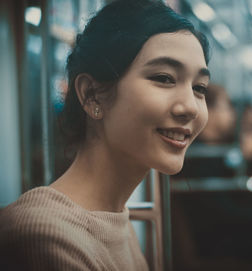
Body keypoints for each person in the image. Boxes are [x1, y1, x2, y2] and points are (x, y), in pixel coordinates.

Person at [0, 0, 210, 270]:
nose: (191, 107)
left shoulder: (115, 219)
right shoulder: (45, 237)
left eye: (200, 88)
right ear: (91, 94)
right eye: (164, 78)